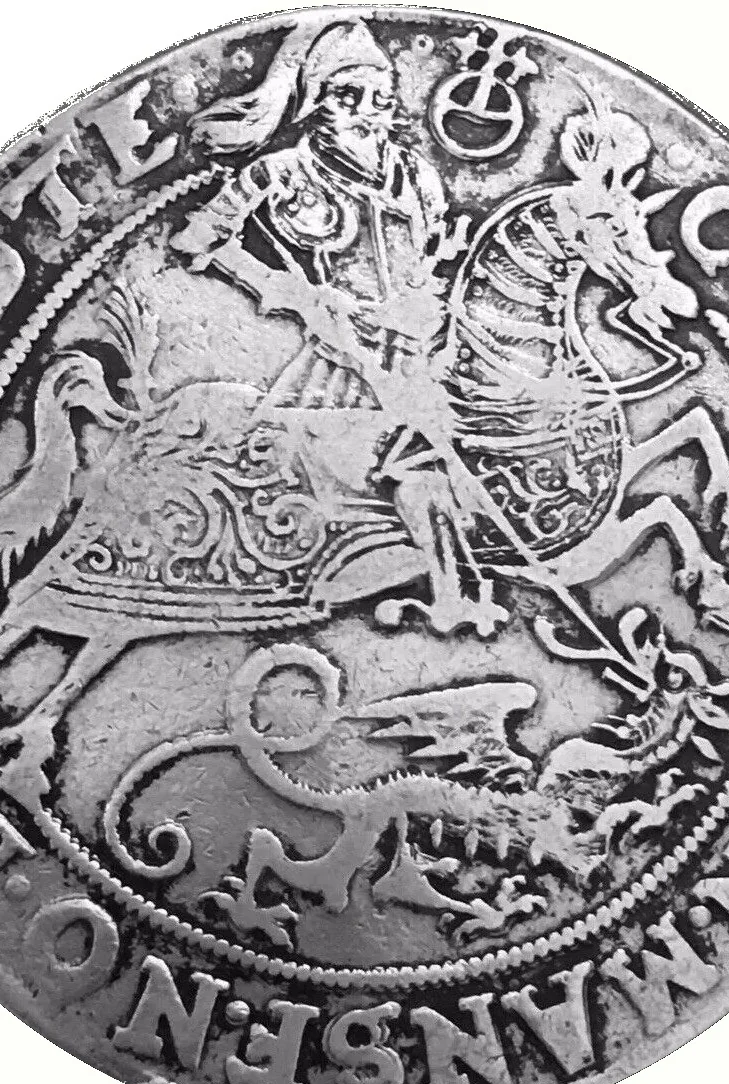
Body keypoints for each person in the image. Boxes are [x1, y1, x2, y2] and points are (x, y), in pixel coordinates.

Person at [173, 20, 508, 636]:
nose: (365, 112)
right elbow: (197, 239)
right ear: (314, 101)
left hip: (416, 350)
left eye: (379, 97)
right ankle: (446, 594)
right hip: (340, 360)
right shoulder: (279, 173)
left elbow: (430, 257)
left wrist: (432, 299)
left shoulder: (417, 175)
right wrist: (292, 292)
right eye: (346, 96)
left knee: (457, 455)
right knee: (411, 463)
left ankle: (458, 583)